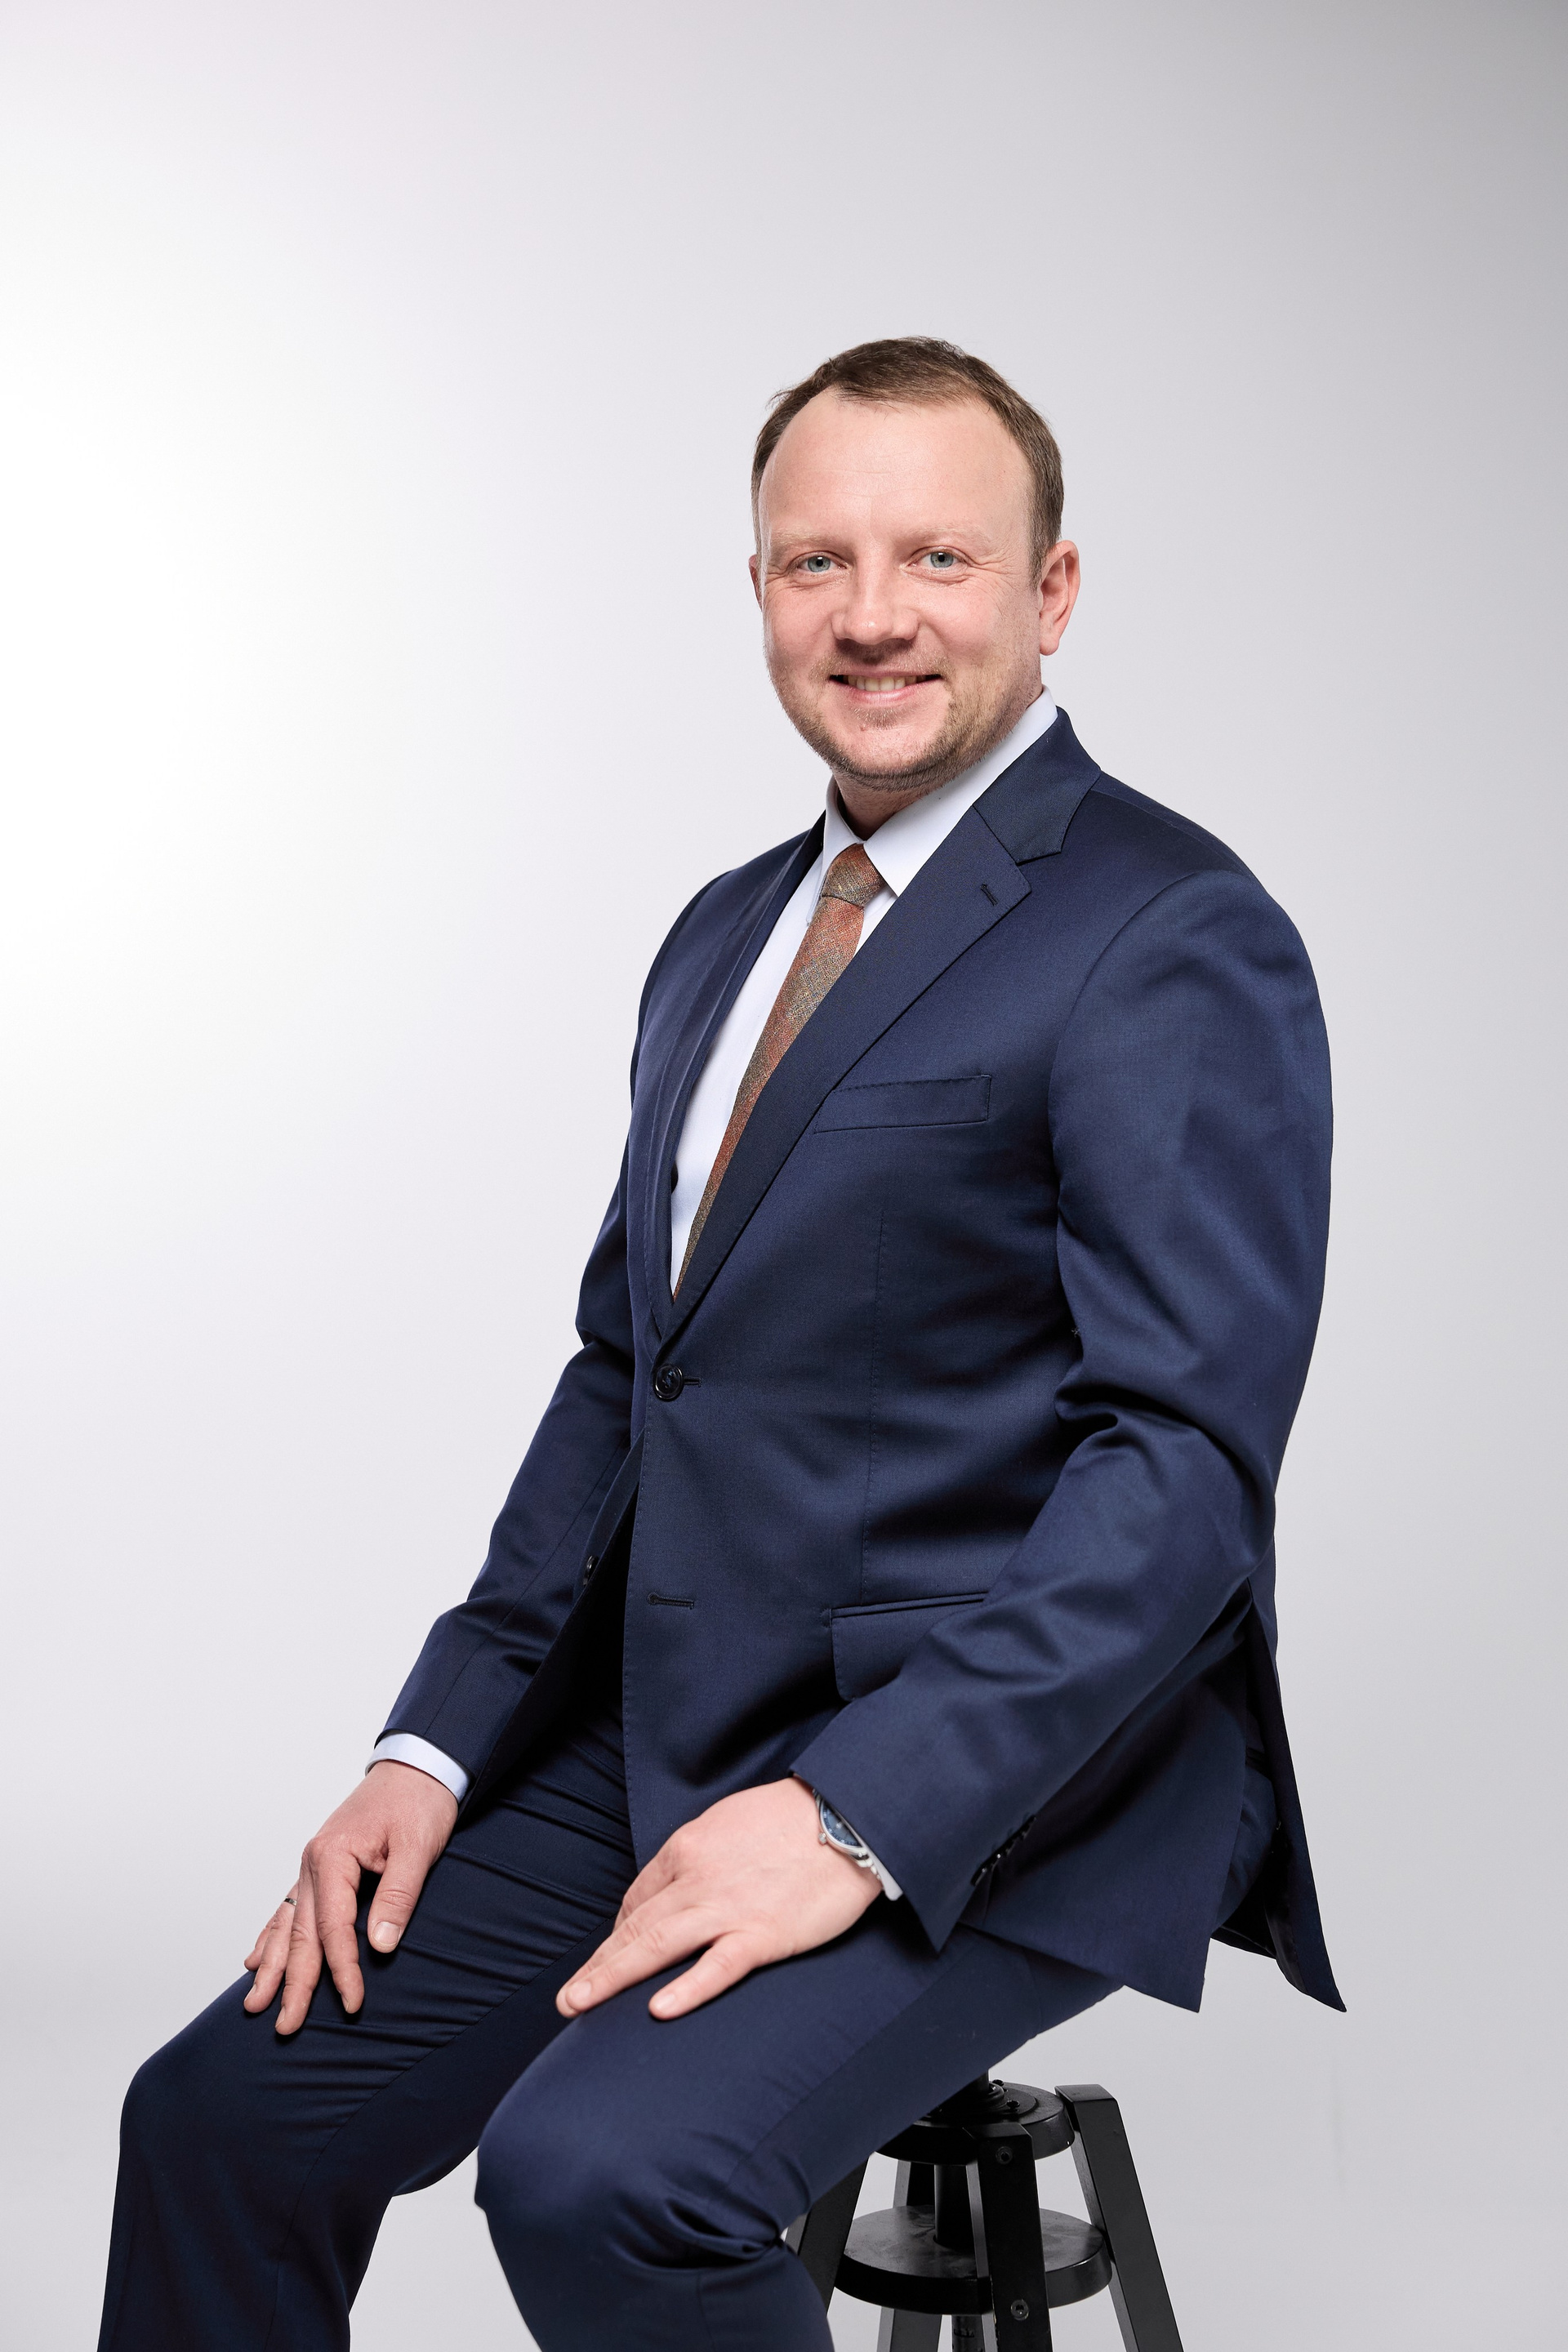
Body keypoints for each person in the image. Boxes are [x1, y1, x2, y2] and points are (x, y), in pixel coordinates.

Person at [97, 337, 1340, 2352]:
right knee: (220, 2120)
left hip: (1013, 1763)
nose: (873, 615)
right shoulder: (721, 934)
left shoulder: (1171, 927)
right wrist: (435, 1742)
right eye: (815, 561)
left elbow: (1181, 1470)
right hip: (675, 1712)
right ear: (759, 587)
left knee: (605, 2178)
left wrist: (857, 1815)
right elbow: (631, 1376)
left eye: (940, 558)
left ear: (1051, 592)